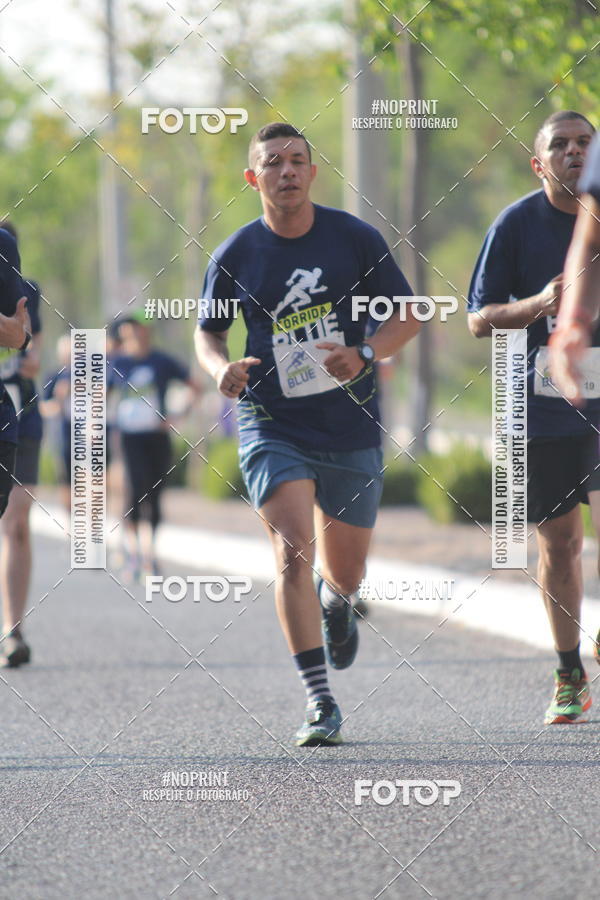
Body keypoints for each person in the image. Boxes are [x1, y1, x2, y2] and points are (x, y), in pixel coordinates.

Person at [195, 122, 419, 746]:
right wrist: (221, 369)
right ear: (253, 178)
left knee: (344, 572)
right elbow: (208, 332)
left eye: (297, 161)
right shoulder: (236, 254)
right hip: (273, 421)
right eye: (273, 163)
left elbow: (408, 315)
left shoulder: (354, 238)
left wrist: (366, 354)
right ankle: (320, 701)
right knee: (293, 549)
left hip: (351, 423)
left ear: (313, 173)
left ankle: (339, 602)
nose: (286, 171)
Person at [468, 110, 598, 724]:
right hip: (540, 410)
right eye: (562, 145)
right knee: (562, 545)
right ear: (538, 162)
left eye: (585, 143)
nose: (575, 153)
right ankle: (569, 670)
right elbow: (477, 318)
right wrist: (539, 305)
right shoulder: (516, 225)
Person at [109, 310, 200, 580]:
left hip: (157, 436)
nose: (132, 337)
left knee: (156, 492)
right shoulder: (118, 363)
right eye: (127, 333)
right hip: (129, 438)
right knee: (134, 490)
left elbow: (194, 385)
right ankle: (135, 555)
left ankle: (151, 555)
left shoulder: (161, 361)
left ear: (146, 332)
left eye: (137, 331)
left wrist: (178, 416)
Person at [0, 222, 43, 667]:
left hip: (18, 414)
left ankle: (13, 630)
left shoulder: (27, 291)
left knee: (15, 521)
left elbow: (29, 349)